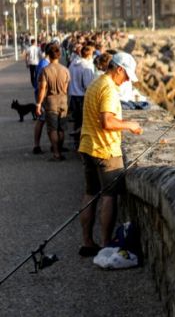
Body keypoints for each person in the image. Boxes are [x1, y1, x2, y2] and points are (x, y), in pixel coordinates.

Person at [78, 52, 142, 256]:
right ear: (119, 69)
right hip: (105, 150)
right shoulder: (108, 90)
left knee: (90, 194)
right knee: (109, 196)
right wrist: (130, 125)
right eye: (126, 76)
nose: (127, 81)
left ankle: (87, 242)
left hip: (88, 146)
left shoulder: (96, 83)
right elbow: (107, 122)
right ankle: (106, 244)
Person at [36, 44, 70, 161]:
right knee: (61, 128)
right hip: (63, 100)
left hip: (51, 101)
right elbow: (66, 89)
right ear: (59, 56)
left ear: (49, 56)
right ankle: (60, 150)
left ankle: (56, 153)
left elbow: (42, 89)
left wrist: (39, 103)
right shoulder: (65, 70)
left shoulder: (45, 70)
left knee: (52, 129)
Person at [68, 45, 96, 139]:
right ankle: (82, 143)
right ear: (89, 55)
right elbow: (88, 85)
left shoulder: (73, 63)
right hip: (83, 96)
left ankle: (76, 142)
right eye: (92, 53)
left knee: (77, 120)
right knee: (84, 121)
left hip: (73, 95)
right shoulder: (87, 66)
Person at [32, 43, 52, 154]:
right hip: (42, 95)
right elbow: (42, 84)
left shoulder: (42, 62)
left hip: (40, 93)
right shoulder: (45, 64)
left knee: (42, 120)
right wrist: (40, 101)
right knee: (42, 119)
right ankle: (37, 145)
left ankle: (37, 144)